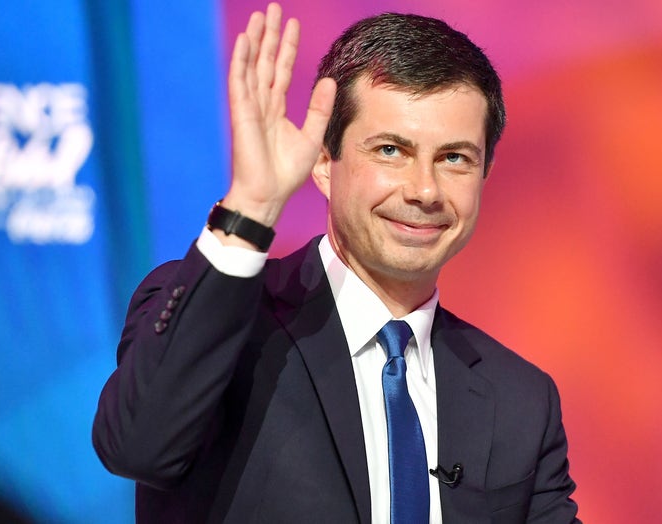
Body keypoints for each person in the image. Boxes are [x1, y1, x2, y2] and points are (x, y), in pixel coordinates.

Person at [92, 3, 579, 522]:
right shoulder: (222, 323)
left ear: (485, 172)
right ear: (325, 163)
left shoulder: (521, 400)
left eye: (454, 158)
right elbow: (135, 447)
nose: (424, 190)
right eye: (391, 150)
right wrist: (251, 207)